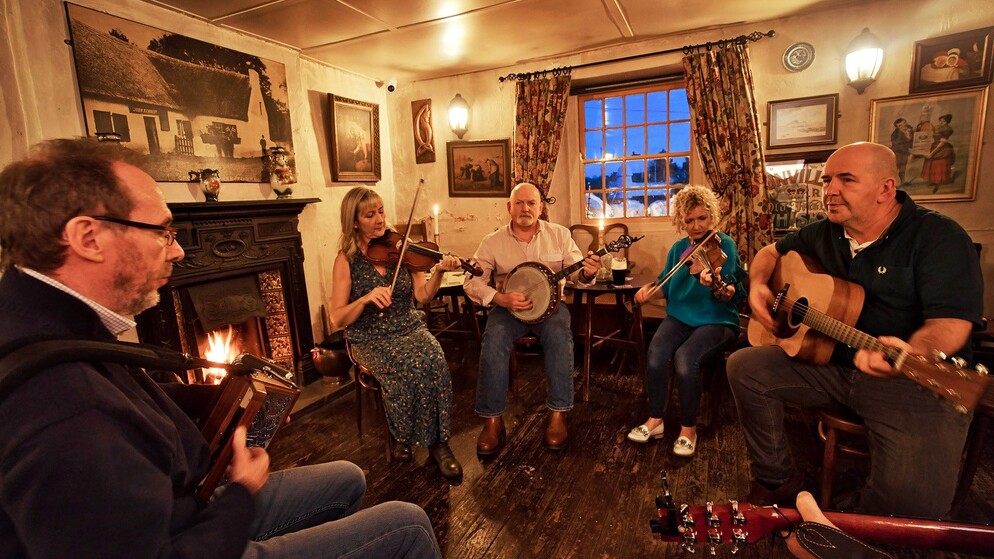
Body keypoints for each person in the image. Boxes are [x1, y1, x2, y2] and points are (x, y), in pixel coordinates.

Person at [0, 138, 443, 558]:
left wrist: (224, 401)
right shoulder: (58, 405)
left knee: (347, 476)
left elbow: (123, 402)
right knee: (408, 523)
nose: (175, 251)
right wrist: (243, 495)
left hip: (190, 502)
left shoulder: (54, 321)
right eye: (162, 232)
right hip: (196, 534)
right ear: (88, 238)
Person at [727, 142, 983, 518]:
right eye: (828, 180)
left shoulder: (939, 237)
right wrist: (759, 287)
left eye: (846, 180)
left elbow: (949, 324)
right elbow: (769, 253)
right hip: (833, 365)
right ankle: (776, 479)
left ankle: (846, 527)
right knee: (744, 366)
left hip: (912, 381)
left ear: (885, 189)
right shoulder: (823, 232)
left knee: (915, 507)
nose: (830, 190)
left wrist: (917, 350)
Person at [330, 186, 463, 481]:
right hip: (370, 336)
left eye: (381, 212)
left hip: (407, 325)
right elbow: (338, 317)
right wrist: (364, 299)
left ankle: (439, 445)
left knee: (434, 358)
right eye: (370, 215)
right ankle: (402, 435)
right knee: (407, 365)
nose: (380, 220)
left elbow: (424, 296)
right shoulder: (346, 261)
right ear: (354, 222)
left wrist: (438, 272)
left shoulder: (403, 249)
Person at [463, 182, 600, 455]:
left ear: (540, 207)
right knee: (493, 339)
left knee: (560, 337)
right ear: (509, 207)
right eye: (520, 203)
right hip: (508, 309)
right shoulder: (492, 242)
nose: (525, 208)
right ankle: (492, 419)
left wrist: (586, 272)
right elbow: (471, 282)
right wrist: (499, 298)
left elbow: (577, 275)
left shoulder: (559, 235)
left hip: (550, 309)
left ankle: (558, 415)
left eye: (531, 203)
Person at [626, 185, 743, 457]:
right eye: (689, 220)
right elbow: (667, 283)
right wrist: (650, 290)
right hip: (681, 316)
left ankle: (689, 428)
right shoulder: (679, 248)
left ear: (712, 216)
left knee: (685, 357)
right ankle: (656, 420)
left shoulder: (725, 245)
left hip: (717, 318)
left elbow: (728, 287)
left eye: (702, 218)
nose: (696, 225)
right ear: (682, 221)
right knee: (655, 353)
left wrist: (714, 283)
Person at [889, 118, 913, 185]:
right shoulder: (895, 134)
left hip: (905, 152)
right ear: (898, 127)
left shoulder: (910, 130)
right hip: (898, 152)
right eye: (900, 125)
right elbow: (897, 144)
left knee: (903, 168)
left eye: (904, 123)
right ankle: (892, 184)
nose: (903, 126)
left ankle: (903, 182)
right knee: (896, 168)